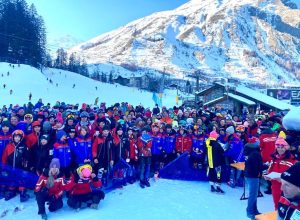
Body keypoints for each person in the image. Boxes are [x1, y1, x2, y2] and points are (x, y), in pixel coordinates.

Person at [265, 137, 297, 210]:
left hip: (286, 189)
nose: (280, 149)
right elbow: (270, 171)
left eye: (282, 147)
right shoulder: (274, 158)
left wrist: (283, 180)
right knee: (276, 206)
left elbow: (293, 177)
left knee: (285, 208)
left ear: (286, 148)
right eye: (278, 147)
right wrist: (268, 176)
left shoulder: (291, 160)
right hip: (275, 187)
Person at [244, 137, 264, 220]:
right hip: (253, 176)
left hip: (248, 174)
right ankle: (250, 211)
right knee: (253, 194)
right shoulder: (255, 153)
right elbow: (257, 165)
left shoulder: (249, 150)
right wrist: (264, 167)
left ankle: (254, 210)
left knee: (254, 194)